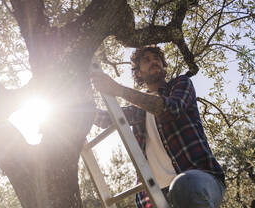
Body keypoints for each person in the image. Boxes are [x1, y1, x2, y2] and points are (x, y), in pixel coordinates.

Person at [91, 46, 225, 208]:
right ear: (138, 73)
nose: (153, 61)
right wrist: (78, 109)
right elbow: (107, 118)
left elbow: (171, 109)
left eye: (156, 58)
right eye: (146, 60)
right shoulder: (139, 110)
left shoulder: (181, 84)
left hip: (199, 181)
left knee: (185, 185)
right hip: (155, 195)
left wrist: (119, 90)